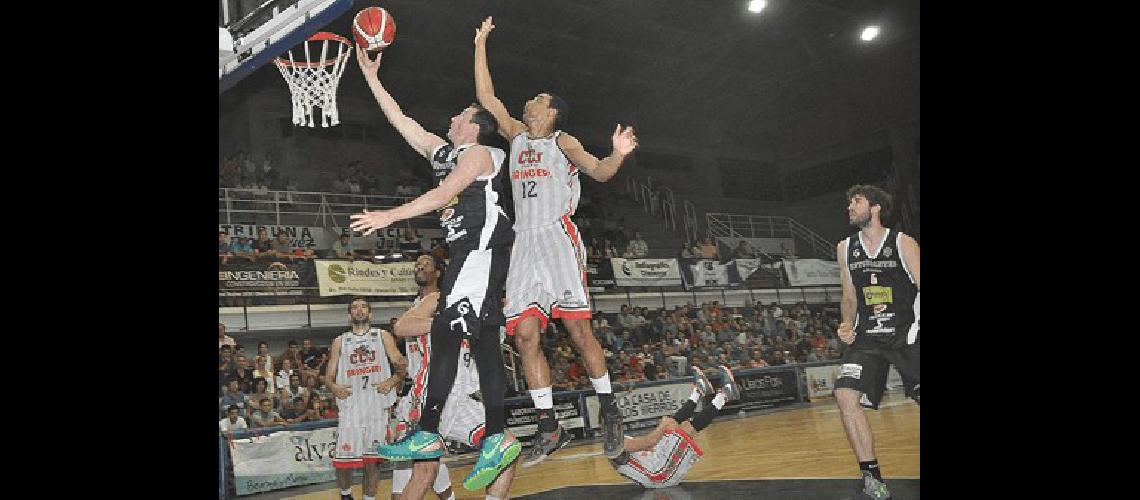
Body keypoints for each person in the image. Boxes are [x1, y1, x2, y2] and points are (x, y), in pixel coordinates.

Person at [351, 46, 520, 493]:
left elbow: (445, 191)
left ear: (476, 126)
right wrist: (370, 76)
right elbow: (401, 120)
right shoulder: (444, 150)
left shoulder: (481, 155)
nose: (452, 117)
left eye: (461, 114)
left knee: (445, 328)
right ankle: (498, 438)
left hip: (483, 249)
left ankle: (428, 431)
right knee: (483, 340)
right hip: (469, 253)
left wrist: (389, 216)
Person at [473, 16, 638, 465]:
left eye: (537, 99)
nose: (528, 101)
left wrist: (618, 155)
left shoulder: (563, 142)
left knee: (579, 330)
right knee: (525, 337)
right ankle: (549, 426)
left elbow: (601, 172)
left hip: (557, 239)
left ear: (552, 113)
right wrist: (481, 42)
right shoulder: (516, 136)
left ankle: (610, 411)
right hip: (524, 243)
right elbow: (487, 97)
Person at [834, 184, 920, 500]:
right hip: (868, 336)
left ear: (875, 208)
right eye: (848, 202)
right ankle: (871, 476)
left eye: (855, 201)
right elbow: (849, 295)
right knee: (845, 395)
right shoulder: (845, 248)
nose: (849, 206)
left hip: (907, 333)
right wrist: (845, 323)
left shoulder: (902, 242)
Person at [388, 255, 458, 500]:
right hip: (416, 389)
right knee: (420, 456)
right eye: (416, 263)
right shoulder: (415, 307)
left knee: (420, 456)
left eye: (426, 262)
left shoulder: (444, 301)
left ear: (438, 272)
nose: (419, 265)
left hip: (436, 387)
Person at [325, 297, 407, 500]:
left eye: (363, 307)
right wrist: (334, 386)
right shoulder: (340, 341)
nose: (359, 310)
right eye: (354, 307)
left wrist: (394, 378)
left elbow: (401, 364)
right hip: (351, 409)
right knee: (343, 463)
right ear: (349, 315)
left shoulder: (382, 335)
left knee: (372, 461)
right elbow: (328, 377)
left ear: (370, 314)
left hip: (376, 409)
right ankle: (346, 495)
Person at [610, 365, 740, 488]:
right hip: (658, 474)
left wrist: (664, 428)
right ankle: (723, 395)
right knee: (683, 429)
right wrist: (662, 426)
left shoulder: (615, 438)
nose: (620, 418)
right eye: (616, 417)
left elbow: (647, 446)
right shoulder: (613, 441)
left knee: (675, 428)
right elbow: (649, 442)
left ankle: (699, 392)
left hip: (656, 472)